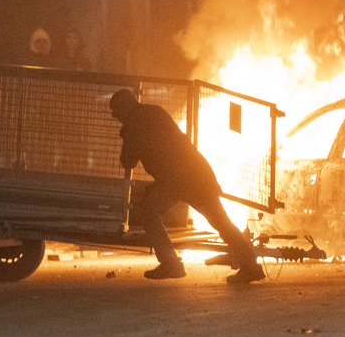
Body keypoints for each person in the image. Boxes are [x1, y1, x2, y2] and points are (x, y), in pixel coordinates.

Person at [108, 88, 265, 283]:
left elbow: (128, 161)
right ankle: (250, 265)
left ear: (124, 107)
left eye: (116, 111)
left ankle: (171, 263)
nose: (116, 116)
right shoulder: (154, 111)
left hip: (177, 180)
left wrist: (126, 135)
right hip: (195, 174)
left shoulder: (134, 124)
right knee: (220, 221)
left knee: (148, 212)